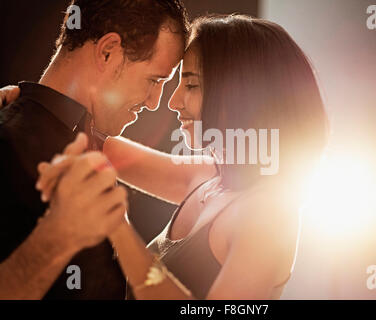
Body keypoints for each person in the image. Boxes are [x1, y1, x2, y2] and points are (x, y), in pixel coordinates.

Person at [33, 15, 329, 299]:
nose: (173, 103)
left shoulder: (269, 214)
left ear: (241, 93)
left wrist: (118, 229)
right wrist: (29, 102)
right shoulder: (209, 176)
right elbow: (96, 144)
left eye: (191, 85)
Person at [0, 0, 189, 299]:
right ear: (107, 51)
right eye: (154, 80)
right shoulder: (9, 140)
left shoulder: (91, 144)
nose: (155, 102)